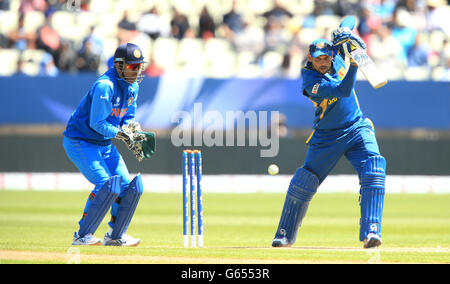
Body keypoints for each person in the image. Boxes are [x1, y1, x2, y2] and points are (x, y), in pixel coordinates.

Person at [272, 32, 386, 249]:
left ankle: (371, 231)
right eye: (317, 58)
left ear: (332, 55)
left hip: (356, 127)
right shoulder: (310, 82)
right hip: (327, 136)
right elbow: (342, 90)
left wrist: (348, 33)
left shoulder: (339, 54)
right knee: (304, 181)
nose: (322, 63)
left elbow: (347, 23)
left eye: (326, 58)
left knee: (374, 168)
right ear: (310, 57)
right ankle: (284, 234)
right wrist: (354, 64)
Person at [63, 43, 155, 246]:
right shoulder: (105, 86)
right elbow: (97, 123)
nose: (137, 71)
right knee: (107, 185)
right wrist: (122, 135)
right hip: (81, 141)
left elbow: (127, 118)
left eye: (139, 66)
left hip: (104, 145)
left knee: (130, 187)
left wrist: (133, 129)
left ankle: (115, 236)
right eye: (132, 67)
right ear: (119, 65)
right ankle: (82, 235)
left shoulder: (133, 86)